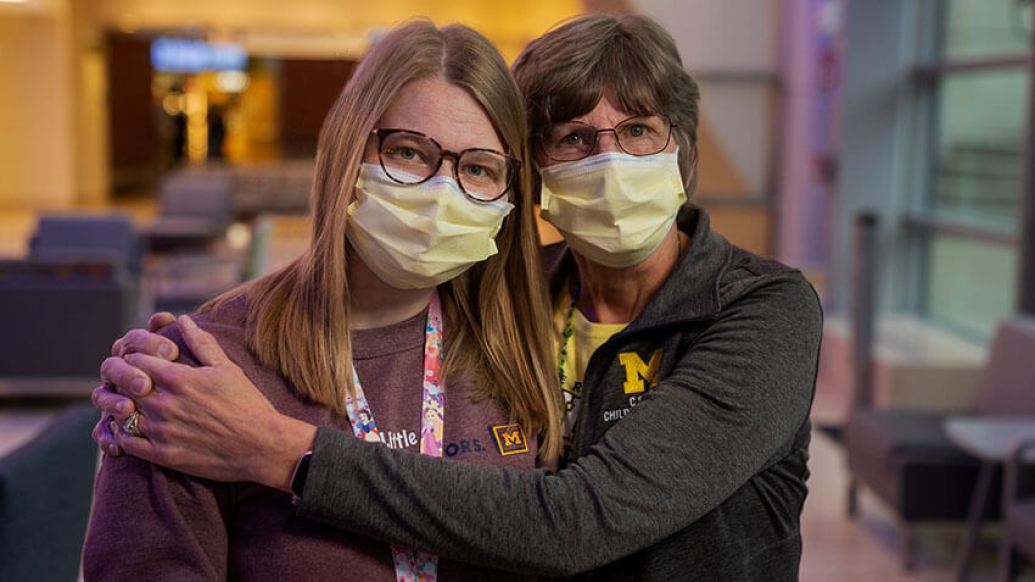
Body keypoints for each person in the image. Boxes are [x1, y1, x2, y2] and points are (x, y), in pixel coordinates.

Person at [94, 13, 823, 580]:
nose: (609, 162)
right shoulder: (512, 299)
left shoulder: (760, 311)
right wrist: (183, 344)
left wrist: (282, 452)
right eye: (572, 137)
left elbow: (578, 520)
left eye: (637, 131)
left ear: (682, 150)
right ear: (535, 173)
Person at [82, 19, 562, 581]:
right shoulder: (198, 371)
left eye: (479, 168)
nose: (442, 190)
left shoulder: (523, 355)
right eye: (408, 152)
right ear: (346, 150)